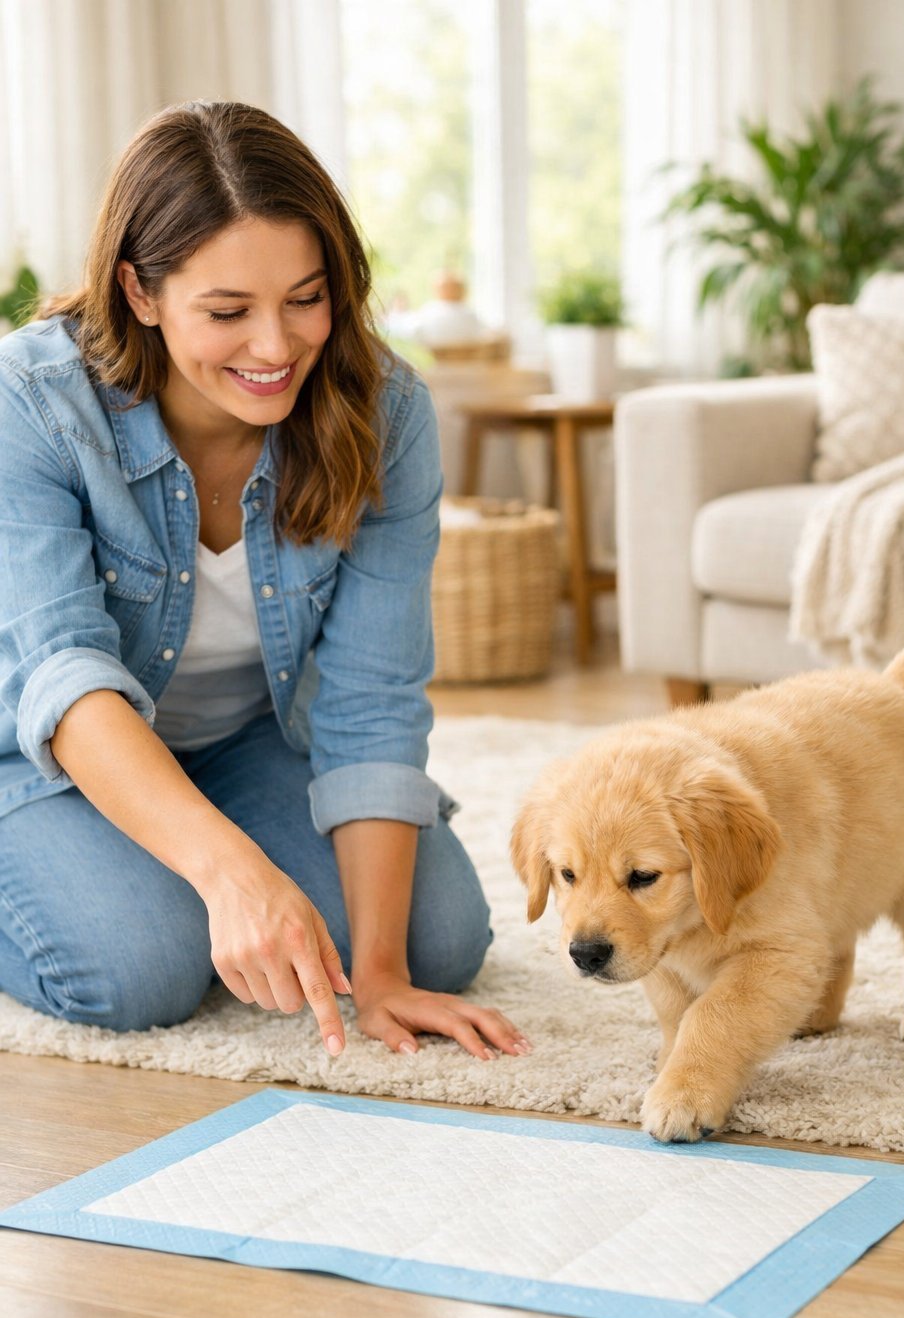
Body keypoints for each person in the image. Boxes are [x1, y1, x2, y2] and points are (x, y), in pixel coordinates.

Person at [0, 99, 531, 1064]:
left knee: (434, 942)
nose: (277, 346)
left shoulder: (386, 410)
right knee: (137, 969)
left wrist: (377, 977)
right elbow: (65, 679)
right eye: (228, 312)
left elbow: (373, 696)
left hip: (243, 740)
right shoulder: (29, 404)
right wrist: (234, 876)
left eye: (305, 297)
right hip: (43, 756)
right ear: (142, 292)